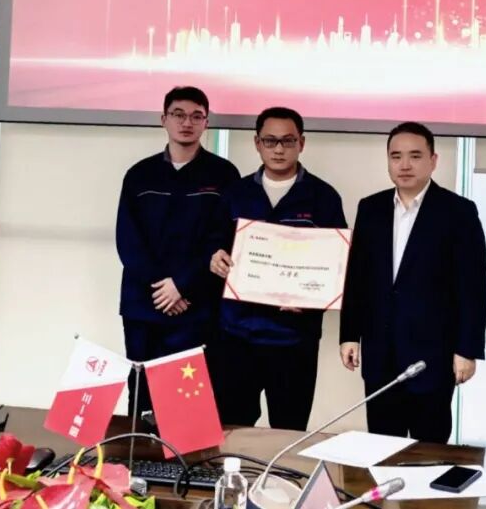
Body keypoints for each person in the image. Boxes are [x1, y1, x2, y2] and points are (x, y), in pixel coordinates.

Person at [339, 121, 486, 443]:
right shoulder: (370, 208)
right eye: (396, 156)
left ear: (433, 161)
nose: (404, 165)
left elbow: (474, 288)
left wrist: (467, 349)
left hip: (433, 357)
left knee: (429, 451)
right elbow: (357, 277)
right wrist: (349, 334)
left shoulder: (458, 212)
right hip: (380, 355)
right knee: (380, 447)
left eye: (415, 156)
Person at [209, 106, 347, 431]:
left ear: (302, 143)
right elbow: (213, 243)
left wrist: (311, 299)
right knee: (232, 430)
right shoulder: (235, 194)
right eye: (270, 141)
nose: (279, 149)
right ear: (257, 143)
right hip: (236, 335)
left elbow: (337, 265)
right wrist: (214, 258)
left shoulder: (323, 197)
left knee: (288, 431)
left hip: (293, 340)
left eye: (288, 140)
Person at [116, 86, 240, 415]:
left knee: (189, 400)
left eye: (196, 116)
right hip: (145, 305)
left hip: (197, 306)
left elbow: (223, 239)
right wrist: (163, 287)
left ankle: (185, 453)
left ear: (206, 123)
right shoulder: (139, 175)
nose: (187, 123)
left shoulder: (224, 175)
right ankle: (140, 447)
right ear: (164, 119)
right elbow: (128, 241)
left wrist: (183, 285)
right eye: (179, 114)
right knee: (142, 393)